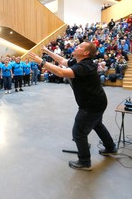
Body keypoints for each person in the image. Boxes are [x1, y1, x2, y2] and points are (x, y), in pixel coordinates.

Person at [29, 42, 117, 171]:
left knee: (79, 133)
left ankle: (84, 161)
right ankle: (111, 147)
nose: (76, 47)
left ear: (86, 53)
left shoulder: (84, 66)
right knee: (98, 125)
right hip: (98, 102)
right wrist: (47, 51)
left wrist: (41, 62)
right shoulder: (81, 63)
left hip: (91, 105)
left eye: (80, 47)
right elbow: (63, 61)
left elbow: (60, 72)